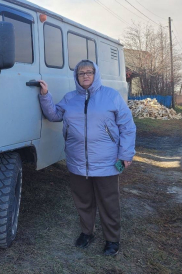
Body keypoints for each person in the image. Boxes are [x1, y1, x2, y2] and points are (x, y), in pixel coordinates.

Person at [38, 59, 136, 256]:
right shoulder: (70, 98)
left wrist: (125, 153)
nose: (85, 75)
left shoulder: (111, 96)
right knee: (83, 200)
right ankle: (87, 232)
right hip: (77, 161)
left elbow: (127, 126)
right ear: (76, 76)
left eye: (89, 72)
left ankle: (111, 239)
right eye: (81, 73)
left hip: (107, 161)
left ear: (96, 74)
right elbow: (54, 115)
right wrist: (45, 95)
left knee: (108, 202)